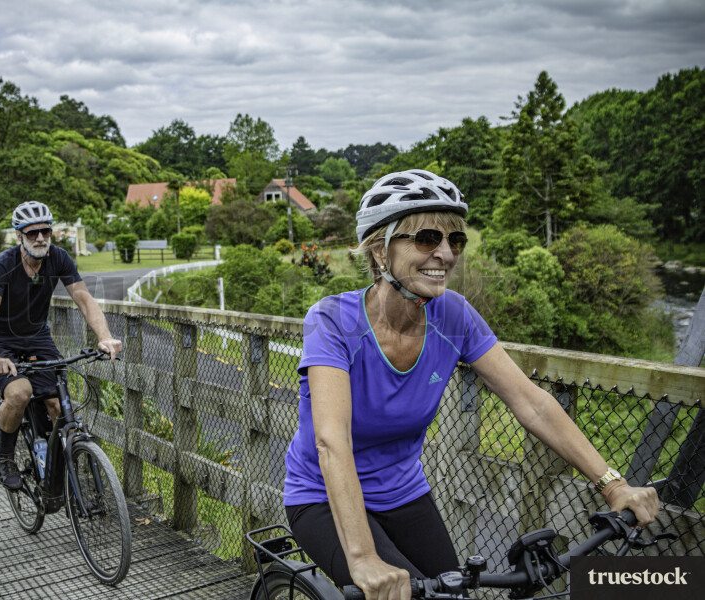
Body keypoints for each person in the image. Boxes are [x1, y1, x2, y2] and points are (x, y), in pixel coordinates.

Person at [282, 170, 660, 600]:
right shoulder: (332, 321)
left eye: (455, 241)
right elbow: (332, 441)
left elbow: (531, 403)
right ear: (379, 250)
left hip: (403, 492)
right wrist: (364, 558)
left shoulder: (454, 316)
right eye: (426, 238)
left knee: (457, 595)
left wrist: (613, 485)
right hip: (321, 497)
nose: (445, 253)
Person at [0, 200, 122, 490]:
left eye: (45, 232)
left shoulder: (59, 258)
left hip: (38, 337)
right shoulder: (1, 266)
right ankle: (5, 456)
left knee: (58, 402)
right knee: (20, 393)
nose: (40, 238)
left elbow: (84, 299)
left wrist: (104, 336)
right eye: (32, 234)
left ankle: (60, 471)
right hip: (3, 340)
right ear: (19, 236)